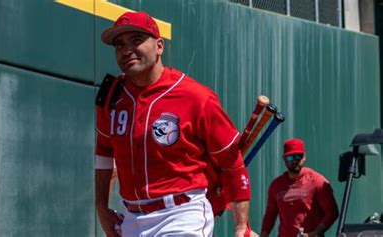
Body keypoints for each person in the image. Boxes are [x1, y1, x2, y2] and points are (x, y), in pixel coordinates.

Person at [95, 11, 253, 236]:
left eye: (136, 40)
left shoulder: (196, 97)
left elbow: (231, 162)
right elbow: (104, 150)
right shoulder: (112, 96)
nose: (126, 50)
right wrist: (101, 205)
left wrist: (241, 226)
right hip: (131, 218)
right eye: (119, 44)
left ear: (159, 46)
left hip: (181, 214)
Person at [260, 138, 339, 237]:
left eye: (298, 156)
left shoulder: (318, 181)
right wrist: (264, 234)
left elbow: (332, 212)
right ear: (284, 158)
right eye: (290, 157)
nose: (295, 160)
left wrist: (315, 233)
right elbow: (270, 214)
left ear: (304, 157)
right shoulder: (276, 185)